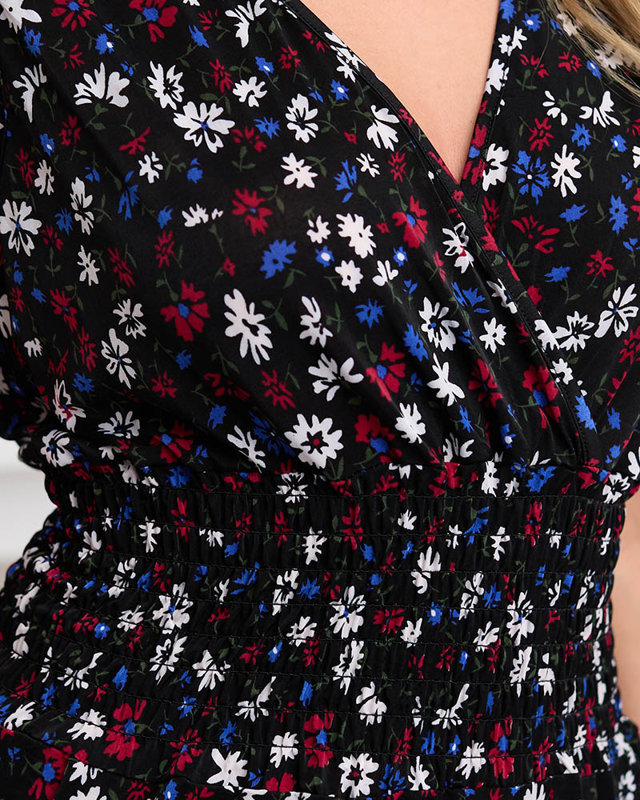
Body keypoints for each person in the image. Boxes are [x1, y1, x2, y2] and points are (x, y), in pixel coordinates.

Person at [0, 0, 640, 797]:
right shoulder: (52, 27)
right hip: (154, 758)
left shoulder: (604, 26)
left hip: (569, 762)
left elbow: (622, 525)